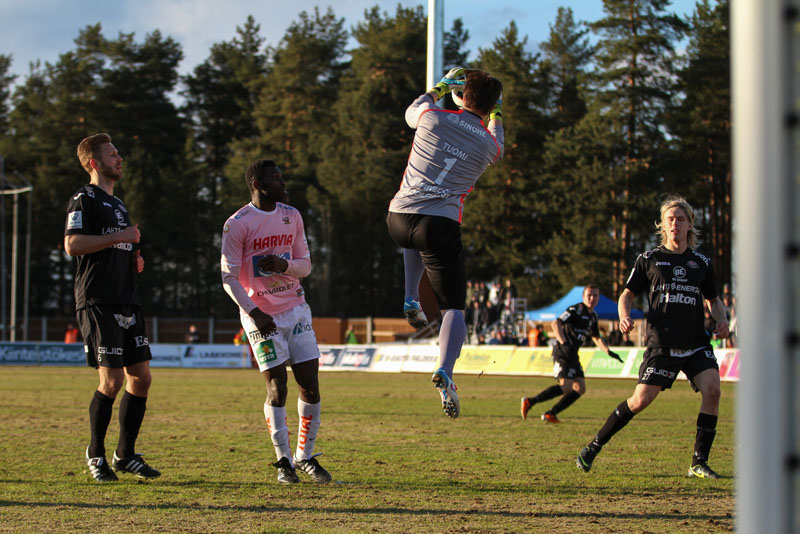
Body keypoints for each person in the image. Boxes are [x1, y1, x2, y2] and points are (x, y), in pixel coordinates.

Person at [576, 195, 729, 479]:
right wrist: (624, 315)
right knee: (640, 400)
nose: (675, 223)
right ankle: (593, 447)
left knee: (713, 390)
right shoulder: (650, 259)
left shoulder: (701, 262)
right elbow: (627, 294)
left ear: (688, 225)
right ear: (663, 225)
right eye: (670, 219)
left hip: (696, 343)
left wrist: (722, 320)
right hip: (662, 344)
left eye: (680, 219)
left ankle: (698, 462)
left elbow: (714, 300)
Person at [386, 67, 503, 419]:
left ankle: (410, 297)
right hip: (439, 225)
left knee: (411, 238)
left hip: (398, 218)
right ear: (491, 105)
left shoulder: (432, 117)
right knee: (454, 307)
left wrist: (440, 87)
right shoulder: (488, 144)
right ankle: (446, 370)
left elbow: (412, 110)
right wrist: (497, 111)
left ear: (460, 95)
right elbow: (499, 136)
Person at [221, 159, 331, 484]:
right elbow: (228, 277)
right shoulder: (237, 224)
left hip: (296, 309)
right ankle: (283, 461)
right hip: (261, 316)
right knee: (276, 386)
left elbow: (306, 265)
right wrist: (254, 314)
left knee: (310, 384)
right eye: (277, 179)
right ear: (258, 184)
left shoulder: (291, 215)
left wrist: (282, 265)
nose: (283, 184)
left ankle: (305, 456)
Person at [65, 133, 160, 482]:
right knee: (112, 379)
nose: (120, 159)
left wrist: (133, 260)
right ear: (95, 162)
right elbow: (73, 244)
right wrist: (121, 238)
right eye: (112, 154)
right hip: (98, 300)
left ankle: (125, 454)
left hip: (127, 299)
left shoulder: (118, 205)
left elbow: (117, 248)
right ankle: (96, 454)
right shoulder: (83, 198)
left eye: (118, 153)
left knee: (142, 378)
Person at [520, 285, 623, 423]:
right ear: (583, 297)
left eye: (595, 295)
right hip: (563, 352)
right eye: (589, 295)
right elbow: (555, 323)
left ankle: (551, 413)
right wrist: (564, 342)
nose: (592, 298)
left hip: (573, 353)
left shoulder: (593, 316)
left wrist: (608, 351)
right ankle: (530, 401)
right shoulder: (576, 310)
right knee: (566, 386)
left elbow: (596, 337)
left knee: (580, 388)